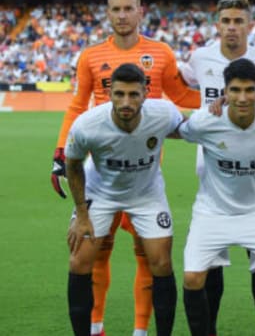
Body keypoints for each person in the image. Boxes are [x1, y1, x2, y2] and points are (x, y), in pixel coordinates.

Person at [51, 0, 199, 336]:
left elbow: (180, 95)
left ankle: (140, 329)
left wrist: (221, 99)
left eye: (127, 8)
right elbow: (77, 103)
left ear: (140, 11)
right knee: (96, 251)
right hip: (101, 163)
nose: (121, 15)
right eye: (115, 9)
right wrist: (60, 152)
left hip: (146, 164)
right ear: (107, 13)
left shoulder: (161, 53)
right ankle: (96, 326)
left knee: (147, 253)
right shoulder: (90, 56)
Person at [180, 0, 255, 334]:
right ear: (218, 24)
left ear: (249, 25)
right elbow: (180, 86)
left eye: (238, 21)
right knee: (210, 264)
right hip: (211, 163)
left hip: (253, 159)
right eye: (226, 21)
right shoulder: (199, 57)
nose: (231, 27)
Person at [65, 63, 181, 336]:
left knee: (162, 263)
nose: (126, 102)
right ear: (109, 93)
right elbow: (73, 165)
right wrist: (81, 215)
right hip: (100, 193)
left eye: (133, 94)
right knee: (79, 262)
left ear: (146, 93)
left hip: (147, 194)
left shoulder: (163, 114)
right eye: (119, 94)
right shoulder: (88, 124)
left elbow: (187, 130)